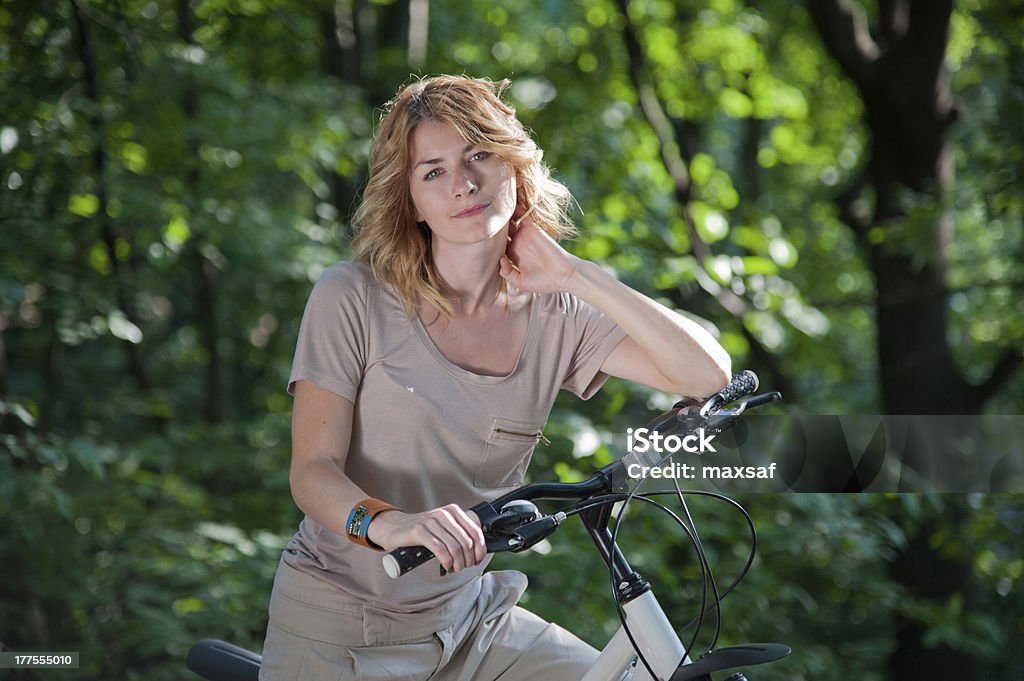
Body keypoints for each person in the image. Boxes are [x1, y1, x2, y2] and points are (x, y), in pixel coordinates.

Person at [259, 74, 732, 681]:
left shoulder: (557, 311)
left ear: (514, 163)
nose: (464, 184)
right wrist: (392, 523)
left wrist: (578, 276)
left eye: (480, 154)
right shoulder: (353, 298)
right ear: (410, 201)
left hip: (471, 619)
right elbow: (312, 472)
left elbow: (707, 372)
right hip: (340, 624)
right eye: (434, 171)